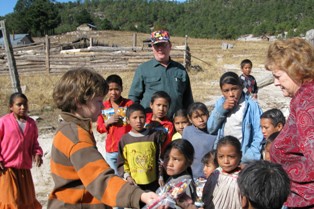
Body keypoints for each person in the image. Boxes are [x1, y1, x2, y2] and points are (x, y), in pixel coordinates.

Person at [48, 68, 159, 209]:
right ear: (78, 102)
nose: (102, 106)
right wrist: (138, 196)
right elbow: (100, 178)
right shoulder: (76, 136)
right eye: (99, 101)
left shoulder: (70, 128)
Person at [264, 38, 314, 208]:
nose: (276, 83)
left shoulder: (306, 103)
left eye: (278, 76)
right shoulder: (304, 96)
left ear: (296, 71)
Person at [128, 30, 194, 118]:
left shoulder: (180, 70)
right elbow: (133, 98)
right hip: (150, 125)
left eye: (163, 45)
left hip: (175, 124)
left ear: (170, 46)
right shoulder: (143, 69)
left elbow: (188, 100)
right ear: (152, 47)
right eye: (157, 45)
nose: (160, 48)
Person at [207, 71, 263, 163]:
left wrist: (248, 157)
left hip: (243, 158)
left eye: (234, 89)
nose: (231, 94)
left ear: (241, 87)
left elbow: (259, 135)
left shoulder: (251, 106)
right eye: (226, 91)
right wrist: (222, 109)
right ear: (222, 91)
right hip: (224, 159)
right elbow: (211, 128)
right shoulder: (220, 103)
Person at [0, 92, 43, 209]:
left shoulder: (31, 124)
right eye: (19, 105)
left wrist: (37, 153)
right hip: (7, 169)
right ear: (10, 107)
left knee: (27, 200)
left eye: (25, 104)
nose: (23, 107)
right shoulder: (3, 122)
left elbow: (34, 142)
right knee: (10, 200)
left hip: (24, 170)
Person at [117, 103, 166, 192]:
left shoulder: (153, 136)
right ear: (128, 120)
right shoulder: (125, 140)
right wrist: (127, 176)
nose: (138, 121)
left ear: (146, 118)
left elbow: (159, 158)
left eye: (141, 117)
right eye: (134, 118)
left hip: (153, 182)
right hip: (135, 183)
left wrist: (161, 176)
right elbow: (122, 162)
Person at [96, 74, 133, 174]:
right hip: (112, 150)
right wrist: (108, 122)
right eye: (110, 89)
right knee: (115, 177)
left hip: (128, 147)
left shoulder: (129, 104)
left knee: (129, 176)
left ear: (121, 89)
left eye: (116, 89)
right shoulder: (103, 107)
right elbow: (99, 128)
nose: (113, 92)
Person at [202, 135, 242, 209]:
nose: (226, 161)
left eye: (231, 156)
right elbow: (206, 196)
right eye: (221, 157)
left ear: (240, 155)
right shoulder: (215, 174)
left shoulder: (243, 178)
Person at [158, 139, 197, 208]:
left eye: (175, 159)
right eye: (167, 157)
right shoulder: (174, 177)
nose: (169, 163)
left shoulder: (184, 184)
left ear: (189, 162)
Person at [183, 102, 216, 179]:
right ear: (190, 119)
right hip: (192, 176)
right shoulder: (187, 131)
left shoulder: (214, 133)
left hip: (209, 176)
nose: (201, 120)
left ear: (208, 114)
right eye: (196, 117)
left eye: (203, 115)